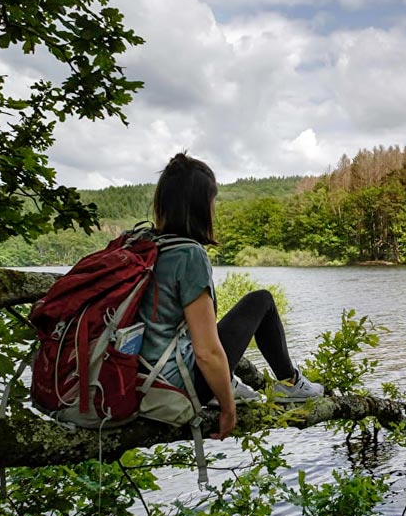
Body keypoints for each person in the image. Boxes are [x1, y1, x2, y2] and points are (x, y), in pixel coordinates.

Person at [137, 152, 323, 440]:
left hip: (136, 381)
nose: (214, 208)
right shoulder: (189, 254)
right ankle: (289, 383)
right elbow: (207, 352)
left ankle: (236, 381)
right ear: (201, 206)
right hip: (175, 385)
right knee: (261, 300)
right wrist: (227, 408)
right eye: (213, 201)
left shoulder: (143, 245)